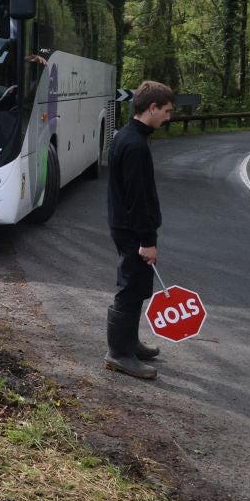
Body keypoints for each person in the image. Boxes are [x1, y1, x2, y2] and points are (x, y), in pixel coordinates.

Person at [105, 80, 175, 380]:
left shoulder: (128, 135)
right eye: (167, 111)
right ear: (152, 107)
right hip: (133, 231)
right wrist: (147, 241)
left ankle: (130, 343)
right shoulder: (134, 145)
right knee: (131, 288)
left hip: (126, 226)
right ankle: (119, 354)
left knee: (138, 287)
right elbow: (138, 198)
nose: (168, 117)